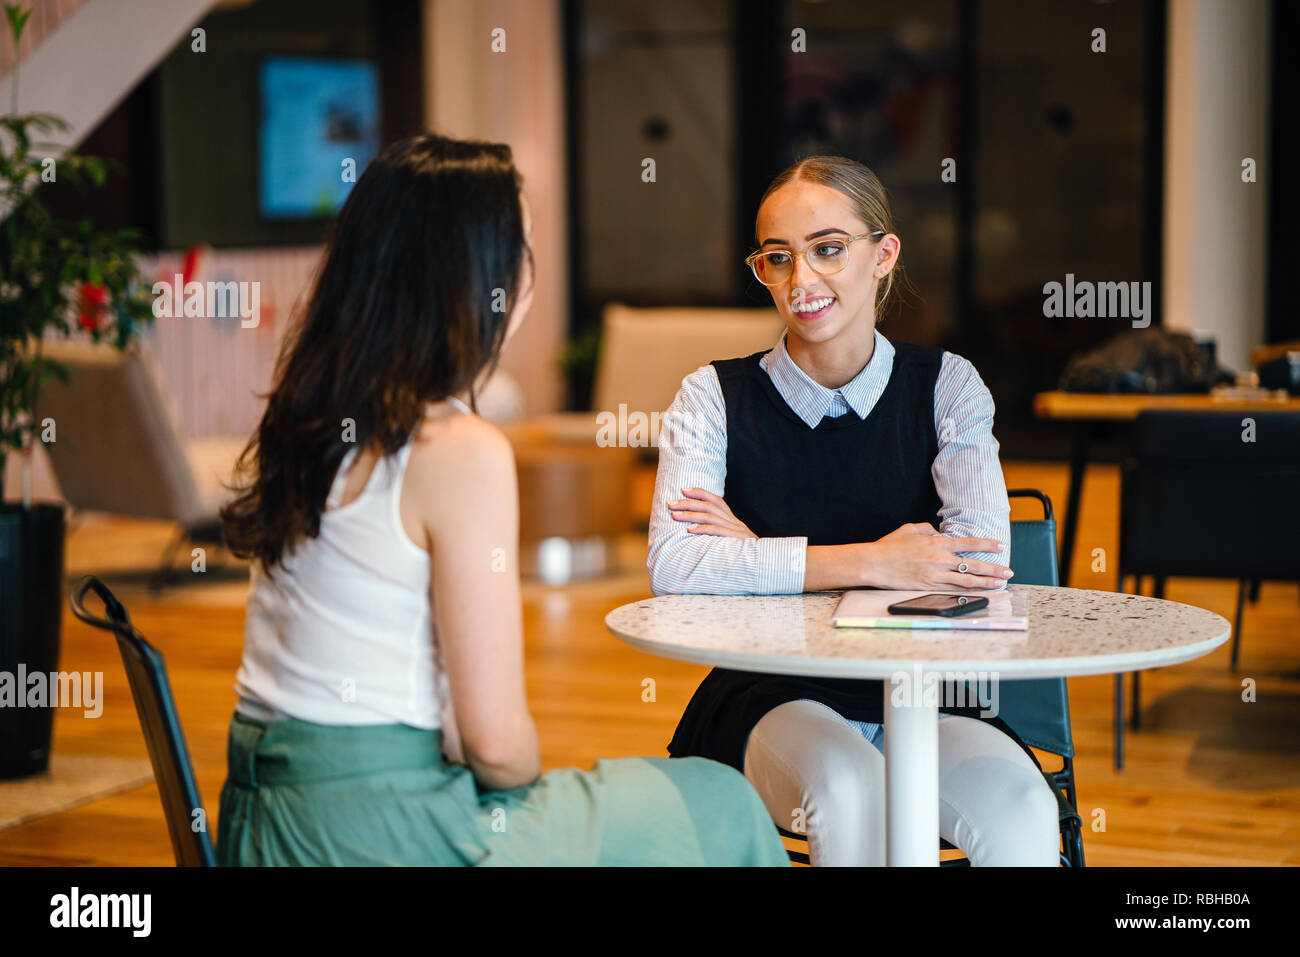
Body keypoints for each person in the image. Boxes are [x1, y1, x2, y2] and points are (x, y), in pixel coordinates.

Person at [215, 133, 788, 867]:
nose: (530, 272)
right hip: (379, 831)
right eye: (520, 247)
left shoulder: (304, 417)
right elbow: (494, 743)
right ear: (477, 277)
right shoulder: (460, 448)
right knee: (717, 799)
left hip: (259, 822)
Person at [648, 155, 1059, 867]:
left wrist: (759, 553)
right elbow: (678, 564)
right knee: (850, 789)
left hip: (927, 688)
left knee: (1025, 805)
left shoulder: (948, 385)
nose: (802, 280)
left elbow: (978, 567)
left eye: (828, 249)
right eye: (778, 259)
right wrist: (874, 560)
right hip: (767, 691)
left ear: (883, 255)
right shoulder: (712, 398)